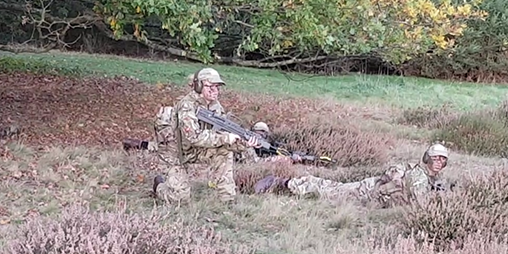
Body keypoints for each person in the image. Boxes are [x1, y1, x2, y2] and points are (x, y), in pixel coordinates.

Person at [152, 68, 259, 203]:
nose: (216, 91)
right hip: (175, 154)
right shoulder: (187, 105)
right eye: (211, 86)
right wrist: (225, 138)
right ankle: (159, 185)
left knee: (225, 150)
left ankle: (227, 198)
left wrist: (244, 143)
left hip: (196, 149)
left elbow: (222, 135)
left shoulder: (215, 106)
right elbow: (193, 136)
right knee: (180, 199)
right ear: (199, 86)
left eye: (217, 87)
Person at [255, 143, 450, 207]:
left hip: (373, 196)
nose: (439, 162)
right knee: (328, 191)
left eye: (443, 160)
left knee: (330, 188)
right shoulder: (419, 176)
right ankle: (282, 183)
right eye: (436, 158)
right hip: (367, 192)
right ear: (427, 158)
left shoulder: (427, 176)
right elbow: (419, 203)